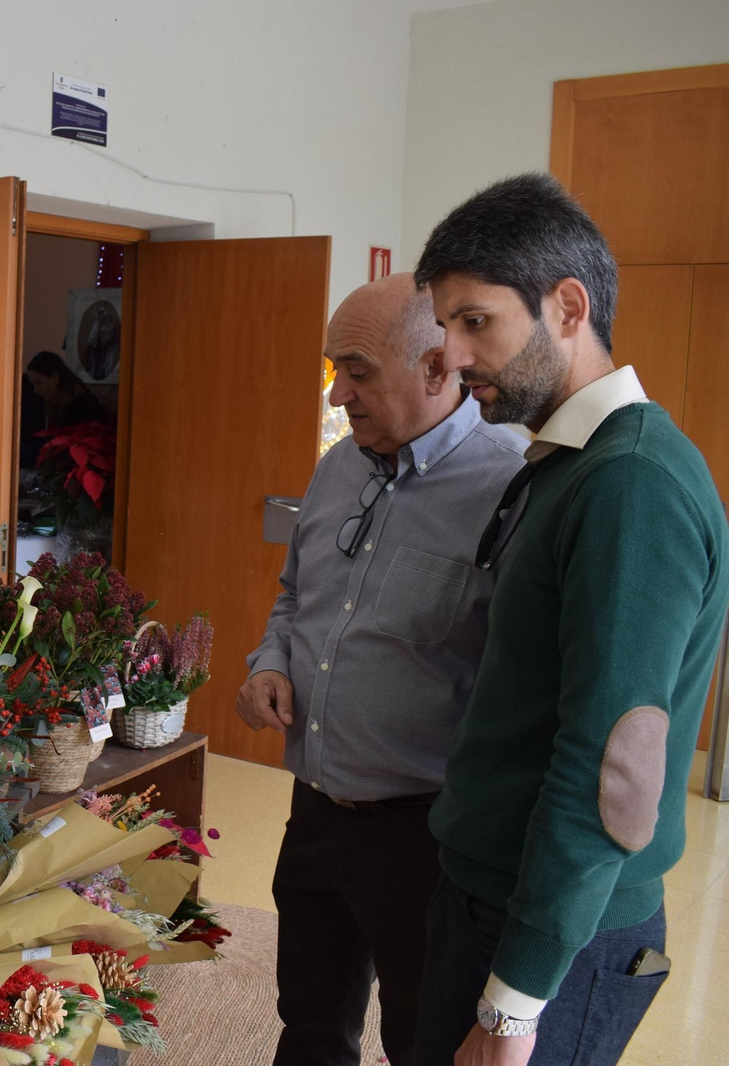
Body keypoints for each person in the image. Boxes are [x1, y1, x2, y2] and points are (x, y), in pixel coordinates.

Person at [412, 173, 729, 1066]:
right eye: (446, 326)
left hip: (555, 931)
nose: (454, 355)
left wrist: (513, 1007)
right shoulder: (570, 463)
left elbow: (609, 768)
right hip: (499, 893)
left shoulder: (630, 483)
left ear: (568, 307)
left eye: (476, 321)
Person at [238, 273, 527, 1066]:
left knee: (421, 1039)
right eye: (335, 370)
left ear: (437, 368)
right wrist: (271, 661)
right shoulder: (339, 466)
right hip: (315, 810)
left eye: (357, 373)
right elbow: (295, 594)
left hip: (425, 839)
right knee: (309, 1020)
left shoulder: (512, 487)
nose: (337, 395)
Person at [25, 350, 109, 429]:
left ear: (55, 378)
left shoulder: (81, 406)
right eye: (33, 385)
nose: (35, 390)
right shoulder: (49, 402)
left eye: (38, 383)